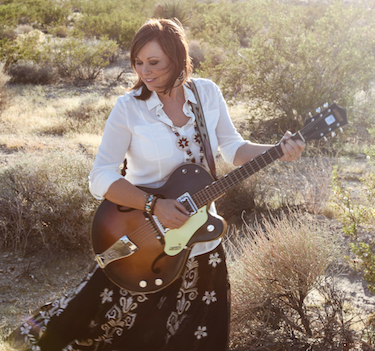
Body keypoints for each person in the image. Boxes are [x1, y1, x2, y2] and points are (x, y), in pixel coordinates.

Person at [11, 18, 305, 351]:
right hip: (144, 239)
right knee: (112, 331)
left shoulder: (207, 93)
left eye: (155, 63)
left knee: (199, 339)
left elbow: (233, 149)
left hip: (201, 240)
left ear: (178, 60)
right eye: (138, 63)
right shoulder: (128, 109)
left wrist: (277, 151)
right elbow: (101, 176)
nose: (145, 72)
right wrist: (154, 205)